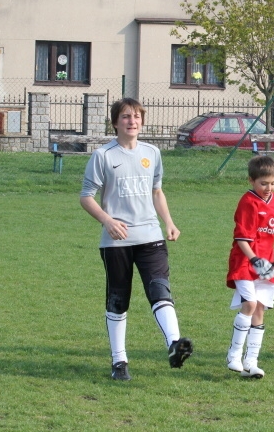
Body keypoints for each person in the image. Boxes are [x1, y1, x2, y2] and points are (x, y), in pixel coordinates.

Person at [80, 98, 193, 381]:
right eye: (126, 116)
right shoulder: (103, 155)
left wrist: (169, 222)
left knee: (160, 290)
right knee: (119, 300)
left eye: (137, 116)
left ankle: (174, 343)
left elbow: (157, 191)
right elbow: (86, 197)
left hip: (151, 237)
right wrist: (107, 220)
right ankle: (119, 362)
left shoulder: (152, 153)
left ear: (142, 121)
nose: (132, 121)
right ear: (115, 122)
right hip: (116, 241)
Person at [226, 155, 274, 379]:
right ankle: (234, 356)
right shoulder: (248, 202)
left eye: (272, 183)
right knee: (248, 304)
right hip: (245, 261)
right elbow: (242, 238)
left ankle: (251, 362)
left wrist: (270, 251)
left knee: (259, 309)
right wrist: (254, 259)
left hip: (264, 262)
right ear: (251, 180)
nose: (268, 188)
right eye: (263, 183)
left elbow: (265, 233)